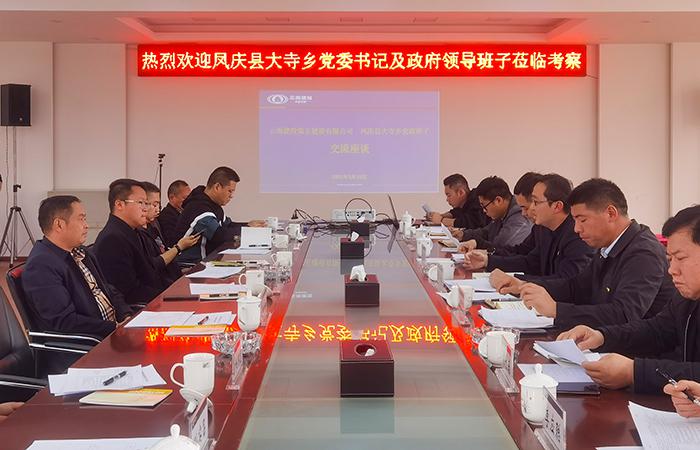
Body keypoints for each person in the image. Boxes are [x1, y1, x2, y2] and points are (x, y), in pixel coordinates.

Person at [557, 205, 700, 394]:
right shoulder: (686, 297)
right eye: (670, 259)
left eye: (680, 258)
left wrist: (633, 372)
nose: (672, 270)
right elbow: (657, 330)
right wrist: (602, 336)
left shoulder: (643, 252)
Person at [512, 178, 675, 330]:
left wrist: (556, 310)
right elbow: (577, 287)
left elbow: (624, 314)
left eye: (582, 220)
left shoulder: (644, 253)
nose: (576, 229)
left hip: (635, 348)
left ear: (611, 213)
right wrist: (523, 285)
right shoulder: (608, 245)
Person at [23, 196, 132, 338]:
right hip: (92, 342)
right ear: (59, 225)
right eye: (81, 219)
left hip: (113, 331)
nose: (86, 225)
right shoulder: (41, 265)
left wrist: (126, 315)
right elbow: (65, 322)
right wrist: (114, 328)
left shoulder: (81, 252)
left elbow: (107, 289)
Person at [478, 174, 593, 289]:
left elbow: (566, 282)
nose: (531, 208)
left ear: (557, 206)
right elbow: (532, 263)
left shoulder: (578, 234)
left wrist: (519, 283)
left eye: (536, 202)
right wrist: (489, 261)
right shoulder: (543, 229)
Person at [94, 179, 171, 305]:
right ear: (119, 205)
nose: (145, 209)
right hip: (141, 307)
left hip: (155, 298)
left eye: (146, 203)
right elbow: (128, 293)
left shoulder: (135, 232)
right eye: (140, 202)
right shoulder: (112, 239)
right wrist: (168, 296)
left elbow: (151, 273)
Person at [175, 167, 264, 264]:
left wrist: (249, 225)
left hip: (206, 261)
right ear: (217, 187)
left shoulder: (213, 205)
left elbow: (228, 225)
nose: (231, 196)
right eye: (230, 191)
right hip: (189, 265)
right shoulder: (198, 207)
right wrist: (248, 230)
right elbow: (219, 236)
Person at [140, 181, 198, 283]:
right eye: (154, 205)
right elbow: (154, 264)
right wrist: (179, 247)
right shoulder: (165, 217)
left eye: (158, 205)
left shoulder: (153, 225)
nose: (157, 210)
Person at [453, 176, 532, 250]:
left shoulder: (519, 218)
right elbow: (486, 232)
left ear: (498, 200)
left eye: (484, 206)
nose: (484, 211)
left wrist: (476, 244)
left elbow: (499, 247)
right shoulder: (502, 214)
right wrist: (463, 234)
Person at [158, 180, 190, 247]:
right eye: (185, 198)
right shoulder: (166, 216)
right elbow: (171, 242)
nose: (188, 201)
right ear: (172, 197)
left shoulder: (181, 213)